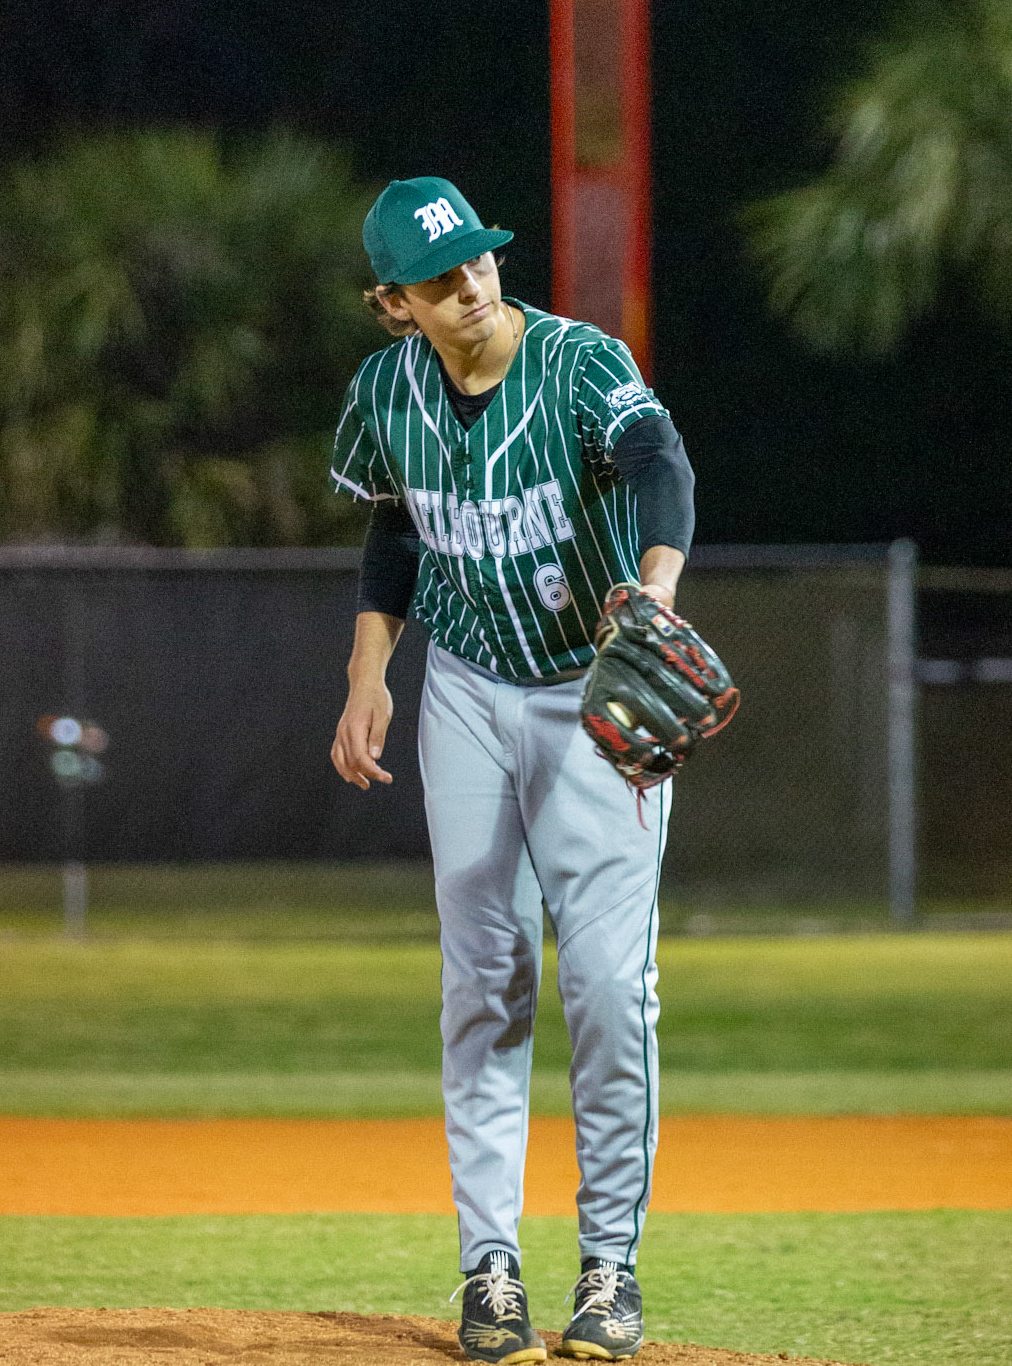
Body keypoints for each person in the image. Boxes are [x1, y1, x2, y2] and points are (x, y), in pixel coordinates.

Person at [329, 176, 696, 1363]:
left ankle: (609, 1268)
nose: (472, 285)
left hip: (593, 688)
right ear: (396, 302)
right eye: (440, 279)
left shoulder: (580, 363)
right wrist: (368, 672)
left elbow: (662, 464)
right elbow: (395, 527)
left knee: (610, 987)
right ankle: (489, 1266)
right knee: (484, 980)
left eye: (479, 259)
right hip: (468, 691)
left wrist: (654, 589)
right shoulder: (385, 390)